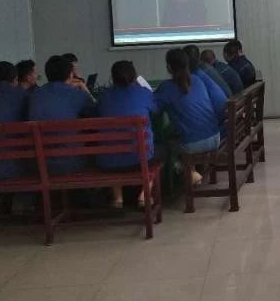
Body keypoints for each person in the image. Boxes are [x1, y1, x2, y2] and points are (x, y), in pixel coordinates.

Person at [97, 60, 157, 207]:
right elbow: (155, 110)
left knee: (114, 146)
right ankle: (144, 195)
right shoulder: (143, 93)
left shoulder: (104, 96)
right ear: (134, 76)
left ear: (112, 77)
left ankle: (118, 198)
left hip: (108, 162)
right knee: (160, 150)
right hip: (140, 159)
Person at [28, 55, 95, 173]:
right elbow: (95, 115)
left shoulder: (34, 95)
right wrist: (84, 88)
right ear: (70, 74)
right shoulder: (77, 94)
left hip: (40, 164)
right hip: (73, 162)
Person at [155, 48, 221, 156]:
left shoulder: (166, 88)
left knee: (159, 147)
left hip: (192, 144)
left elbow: (153, 109)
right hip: (215, 138)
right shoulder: (197, 79)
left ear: (169, 67)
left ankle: (180, 167)